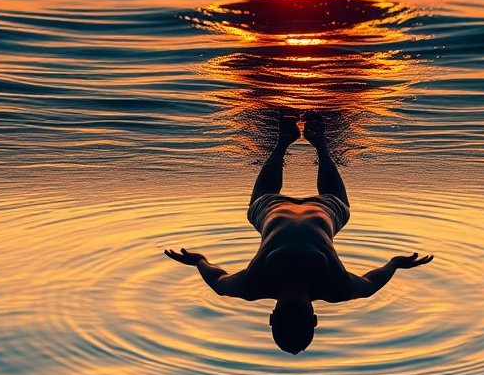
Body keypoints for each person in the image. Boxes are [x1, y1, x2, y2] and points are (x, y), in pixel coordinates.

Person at [164, 111, 433, 354]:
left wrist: (395, 263)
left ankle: (314, 142)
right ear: (272, 318)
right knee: (266, 200)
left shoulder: (335, 287)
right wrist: (199, 261)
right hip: (278, 208)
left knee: (331, 202)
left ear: (314, 319)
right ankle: (288, 141)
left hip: (318, 209)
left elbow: (370, 286)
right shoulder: (253, 286)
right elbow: (219, 282)